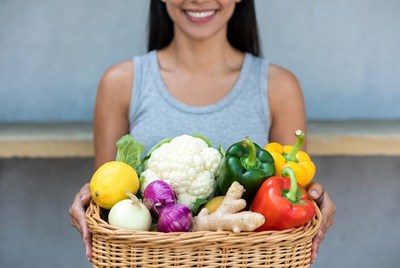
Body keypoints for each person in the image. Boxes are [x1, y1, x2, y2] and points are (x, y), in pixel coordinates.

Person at [69, 0, 336, 264]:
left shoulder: (279, 87)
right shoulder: (120, 83)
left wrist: (311, 201)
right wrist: (89, 196)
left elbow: (291, 189)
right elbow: (107, 197)